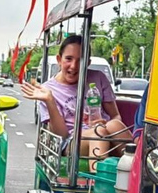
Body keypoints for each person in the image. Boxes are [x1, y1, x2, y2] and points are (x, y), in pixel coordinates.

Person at [21, 35, 133, 171]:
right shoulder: (48, 90)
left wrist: (103, 123)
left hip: (105, 130)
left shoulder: (98, 78)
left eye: (80, 60)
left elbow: (115, 116)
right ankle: (97, 185)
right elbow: (61, 136)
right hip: (72, 142)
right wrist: (50, 101)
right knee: (99, 133)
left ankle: (137, 172)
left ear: (88, 62)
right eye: (68, 59)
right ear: (59, 60)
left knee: (113, 125)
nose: (73, 66)